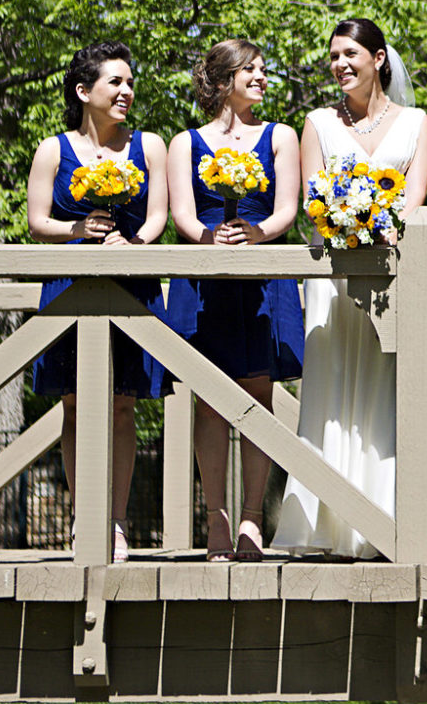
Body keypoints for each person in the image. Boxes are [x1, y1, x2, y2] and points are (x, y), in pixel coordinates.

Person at [273, 17, 427, 558]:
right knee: (330, 385)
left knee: (385, 388)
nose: (340, 64)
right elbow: (314, 200)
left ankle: (380, 523)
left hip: (391, 275)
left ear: (379, 58)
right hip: (335, 278)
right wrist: (348, 226)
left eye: (350, 54)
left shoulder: (415, 122)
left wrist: (388, 227)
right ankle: (325, 523)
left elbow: (414, 199)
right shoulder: (317, 122)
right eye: (334, 56)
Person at [27, 41, 169, 563]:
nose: (127, 91)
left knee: (123, 405)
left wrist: (133, 244)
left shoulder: (148, 145)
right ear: (84, 91)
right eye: (116, 82)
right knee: (73, 405)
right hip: (69, 287)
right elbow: (37, 221)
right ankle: (83, 516)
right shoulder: (53, 149)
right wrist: (78, 229)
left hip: (130, 285)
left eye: (130, 82)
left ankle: (116, 522)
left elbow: (159, 217)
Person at [166, 38, 304, 561]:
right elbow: (182, 211)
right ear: (224, 80)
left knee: (259, 398)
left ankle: (251, 520)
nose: (263, 78)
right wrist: (209, 239)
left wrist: (256, 234)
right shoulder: (187, 142)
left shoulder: (279, 136)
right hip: (205, 280)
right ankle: (216, 518)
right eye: (252, 70)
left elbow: (288, 207)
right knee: (210, 404)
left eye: (264, 69)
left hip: (263, 277)